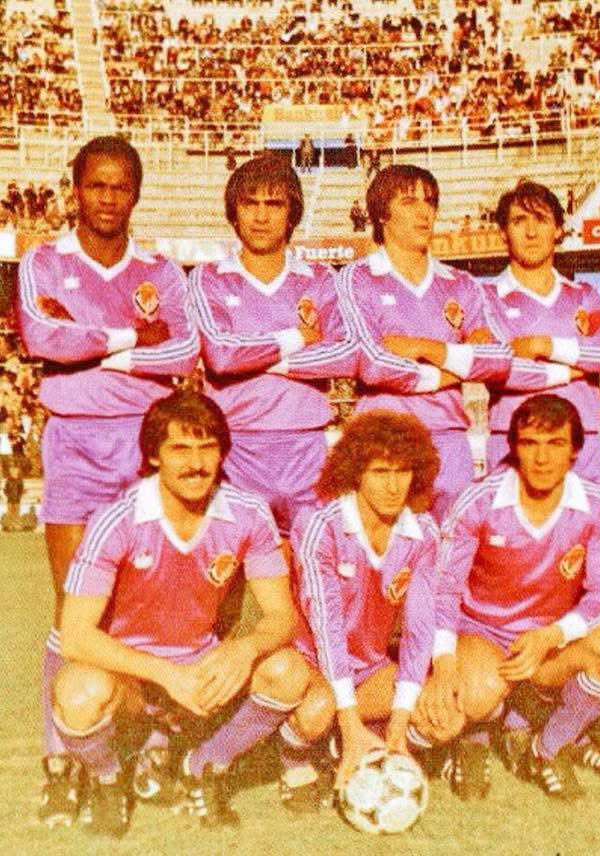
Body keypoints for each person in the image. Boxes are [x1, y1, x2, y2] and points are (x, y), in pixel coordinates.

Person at [17, 135, 199, 825]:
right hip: (74, 446)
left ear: (136, 194)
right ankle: (61, 762)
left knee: (147, 607)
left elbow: (184, 350)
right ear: (76, 190)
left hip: (143, 449)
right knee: (72, 609)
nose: (108, 198)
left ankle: (151, 750)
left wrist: (94, 345)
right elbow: (43, 339)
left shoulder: (161, 271)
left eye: (121, 186)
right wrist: (131, 337)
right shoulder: (43, 262)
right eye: (96, 184)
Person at [51, 391, 308, 836]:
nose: (196, 463)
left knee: (289, 672)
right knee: (78, 693)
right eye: (180, 449)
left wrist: (245, 648)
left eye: (207, 447)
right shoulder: (118, 520)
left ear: (223, 452)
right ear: (154, 455)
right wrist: (167, 675)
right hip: (130, 677)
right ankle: (108, 779)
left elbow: (281, 616)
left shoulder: (248, 514)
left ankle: (205, 765)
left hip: (200, 672)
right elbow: (75, 636)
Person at [419, 394, 600, 800]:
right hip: (485, 632)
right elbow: (443, 590)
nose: (542, 458)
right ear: (514, 447)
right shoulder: (479, 500)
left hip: (549, 640)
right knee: (476, 695)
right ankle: (476, 738)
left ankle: (548, 748)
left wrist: (553, 634)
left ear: (575, 450)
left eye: (555, 444)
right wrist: (444, 664)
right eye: (530, 443)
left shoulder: (596, 504)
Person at [280, 410, 442, 811]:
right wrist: (349, 718)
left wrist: (400, 722)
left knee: (441, 713)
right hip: (314, 663)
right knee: (316, 713)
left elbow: (420, 629)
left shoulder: (423, 532)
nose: (393, 485)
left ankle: (367, 744)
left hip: (369, 668)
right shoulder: (321, 526)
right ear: (355, 473)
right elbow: (327, 627)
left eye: (403, 471)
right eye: (380, 472)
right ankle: (293, 757)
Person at [188, 154, 356, 536]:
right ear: (234, 212)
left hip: (306, 448)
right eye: (250, 203)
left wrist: (259, 359)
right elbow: (220, 354)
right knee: (230, 569)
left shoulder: (320, 279)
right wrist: (296, 338)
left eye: (274, 204)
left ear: (292, 213)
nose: (261, 216)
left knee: (311, 567)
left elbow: (348, 353)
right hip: (235, 447)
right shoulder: (209, 278)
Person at [337, 164, 511, 518]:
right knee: (391, 549)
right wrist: (460, 363)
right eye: (409, 201)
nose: (424, 212)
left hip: (450, 440)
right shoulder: (357, 278)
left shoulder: (460, 283)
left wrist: (422, 348)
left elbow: (498, 360)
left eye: (429, 201)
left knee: (454, 546)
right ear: (382, 213)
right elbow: (373, 364)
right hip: (384, 438)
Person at [481, 181, 600, 487]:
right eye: (519, 221)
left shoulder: (585, 295)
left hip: (583, 442)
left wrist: (545, 346)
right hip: (512, 443)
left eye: (541, 220)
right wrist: (580, 369)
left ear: (559, 229)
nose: (531, 232)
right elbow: (499, 369)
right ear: (503, 232)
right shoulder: (484, 298)